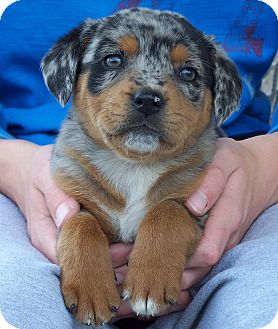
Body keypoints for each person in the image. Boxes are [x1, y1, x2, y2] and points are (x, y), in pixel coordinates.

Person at [0, 0, 277, 328]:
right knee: (16, 289)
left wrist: (265, 163)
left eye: (187, 72)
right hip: (22, 171)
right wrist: (11, 165)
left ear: (220, 95)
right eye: (113, 60)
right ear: (68, 76)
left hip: (242, 176)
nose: (150, 93)